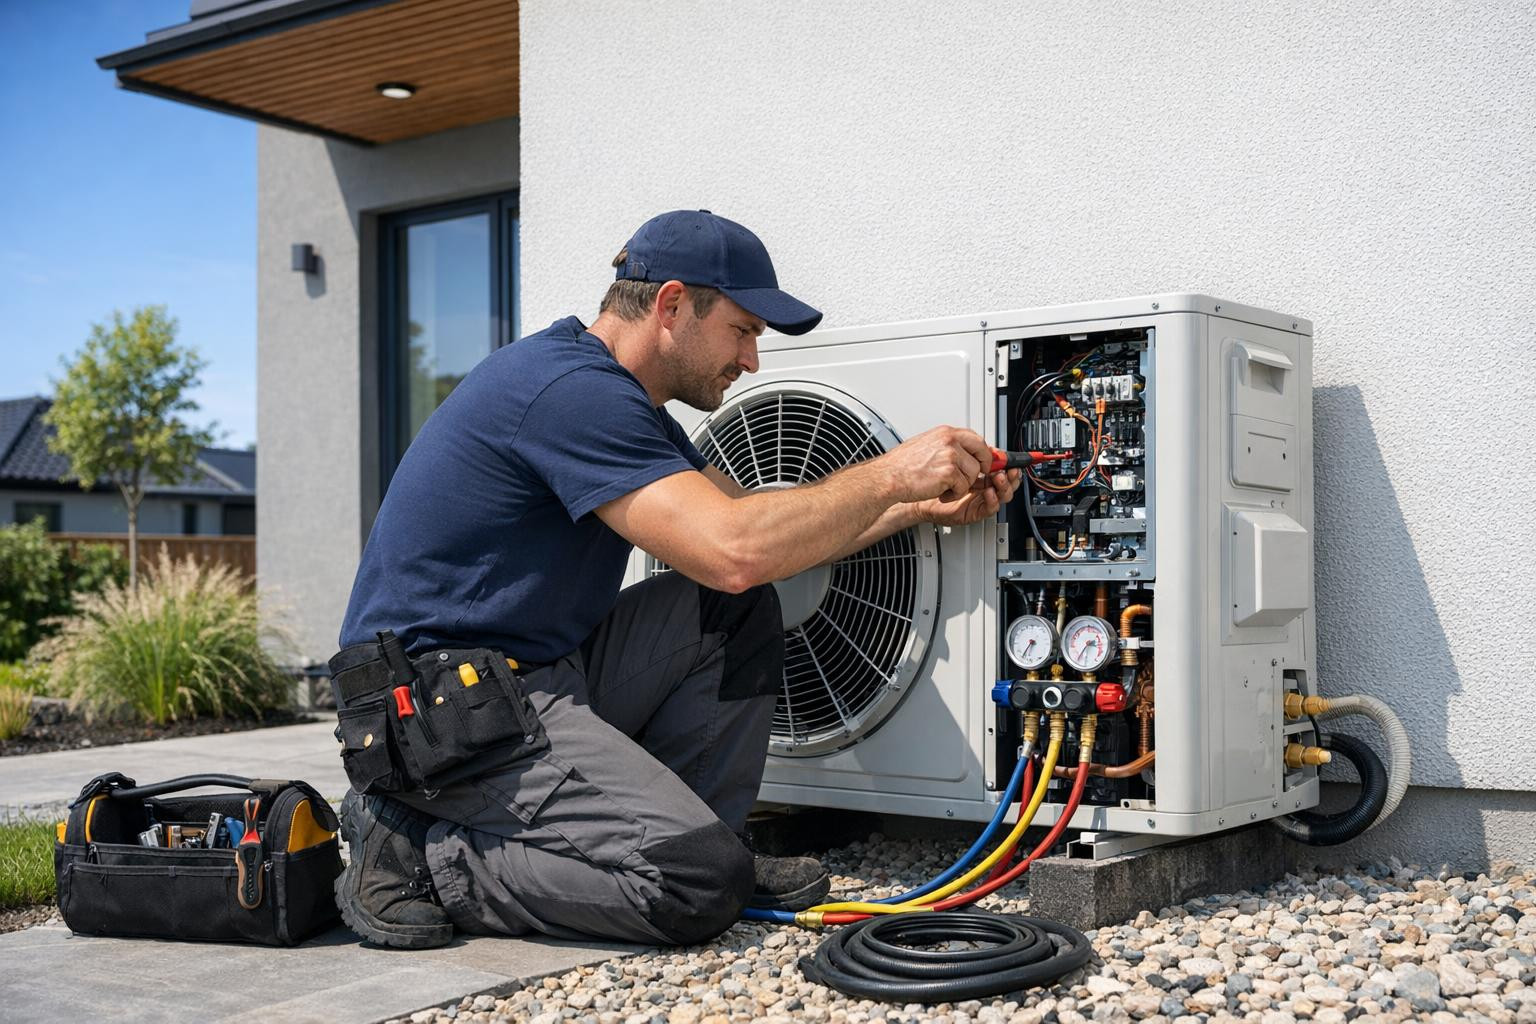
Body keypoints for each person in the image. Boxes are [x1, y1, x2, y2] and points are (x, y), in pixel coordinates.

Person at [328, 209, 1021, 949]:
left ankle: (701, 836)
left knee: (731, 610)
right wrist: (890, 474)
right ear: (671, 306)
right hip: (442, 714)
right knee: (693, 888)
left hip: (533, 680)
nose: (752, 360)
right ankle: (419, 850)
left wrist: (918, 504)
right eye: (743, 330)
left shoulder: (623, 400)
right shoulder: (568, 392)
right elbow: (735, 547)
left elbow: (751, 522)